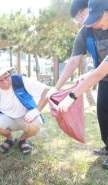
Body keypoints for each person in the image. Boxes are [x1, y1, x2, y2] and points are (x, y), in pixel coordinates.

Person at [47, 0, 108, 159]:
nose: (81, 20)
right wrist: (57, 87)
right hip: (103, 77)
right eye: (78, 18)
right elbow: (74, 61)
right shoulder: (85, 33)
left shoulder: (104, 22)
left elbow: (98, 73)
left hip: (100, 74)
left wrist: (71, 97)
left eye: (83, 14)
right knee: (102, 111)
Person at [0, 61, 49, 154]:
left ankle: (23, 139)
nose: (5, 82)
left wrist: (37, 110)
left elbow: (46, 90)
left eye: (6, 77)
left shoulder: (21, 80)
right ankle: (10, 139)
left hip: (26, 117)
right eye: (0, 81)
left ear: (9, 73)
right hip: (8, 119)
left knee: (36, 123)